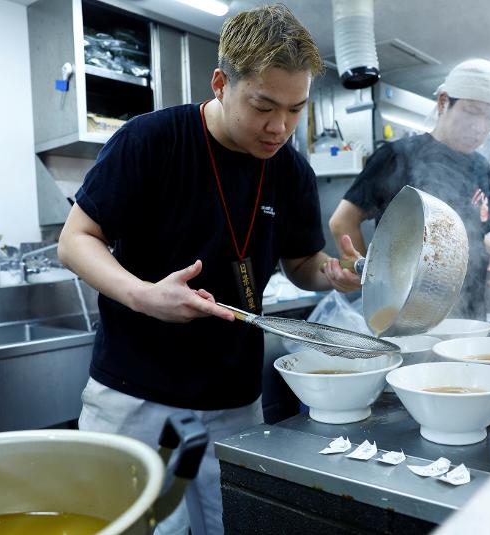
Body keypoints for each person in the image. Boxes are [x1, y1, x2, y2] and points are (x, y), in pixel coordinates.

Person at [57, 5, 361, 534]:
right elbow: (75, 240)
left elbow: (302, 264)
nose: (280, 127)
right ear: (221, 83)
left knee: (236, 525)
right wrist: (144, 295)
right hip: (136, 394)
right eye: (264, 105)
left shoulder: (291, 171)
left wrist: (333, 273)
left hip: (233, 400)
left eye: (296, 109)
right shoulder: (150, 140)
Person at [329, 58, 490, 320]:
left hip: (470, 313)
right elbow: (342, 222)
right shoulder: (396, 156)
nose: (480, 126)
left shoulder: (481, 167)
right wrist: (370, 281)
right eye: (472, 111)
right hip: (409, 316)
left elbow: (471, 230)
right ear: (443, 102)